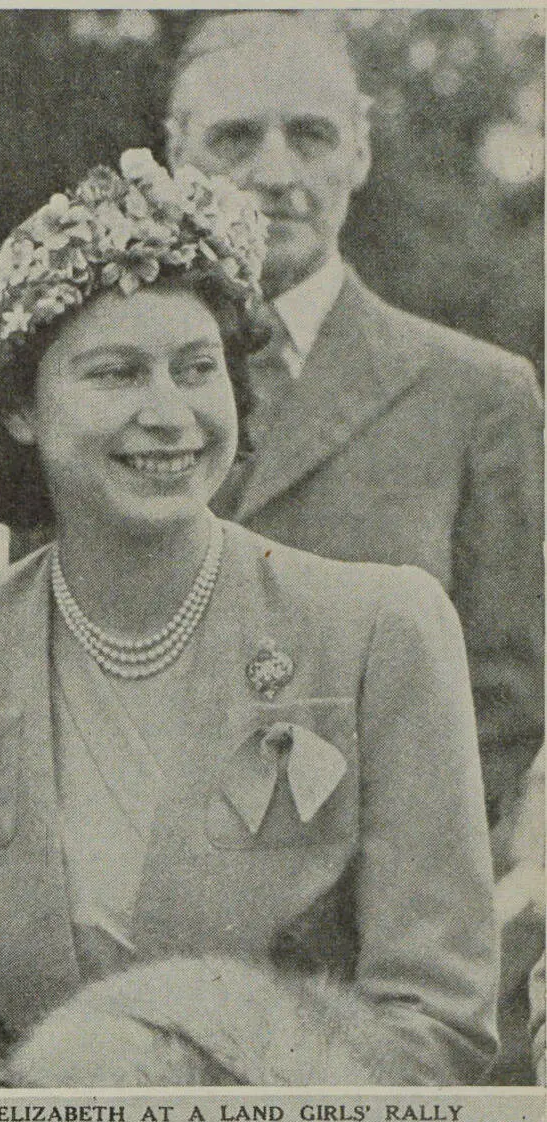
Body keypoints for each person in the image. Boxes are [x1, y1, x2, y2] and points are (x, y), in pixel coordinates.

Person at [0, 150, 497, 1088]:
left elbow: (433, 1021)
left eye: (197, 369)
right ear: (21, 411)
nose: (171, 413)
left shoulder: (380, 629)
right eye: (116, 374)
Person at [164, 11, 544, 833]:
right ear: (175, 153)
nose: (275, 171)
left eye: (311, 136)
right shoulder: (95, 387)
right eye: (234, 139)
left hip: (365, 926)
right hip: (130, 915)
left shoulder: (478, 395)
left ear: (360, 153)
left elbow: (504, 707)